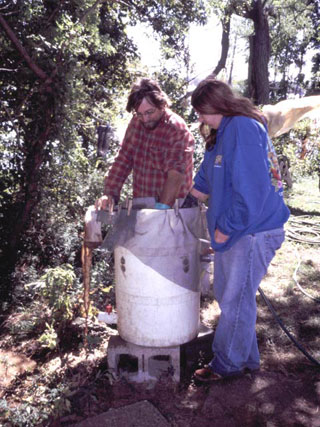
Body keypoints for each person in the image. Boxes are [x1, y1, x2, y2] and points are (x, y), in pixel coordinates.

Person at [190, 77, 290, 381]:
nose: (200, 119)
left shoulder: (243, 128)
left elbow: (252, 190)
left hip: (252, 230)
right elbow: (208, 174)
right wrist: (186, 200)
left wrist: (224, 230)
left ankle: (227, 365)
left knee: (234, 298)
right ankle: (245, 358)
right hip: (240, 230)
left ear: (216, 106)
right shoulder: (224, 133)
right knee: (233, 294)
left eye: (201, 112)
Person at [96, 78, 195, 211]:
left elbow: (175, 175)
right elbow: (123, 159)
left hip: (174, 210)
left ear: (162, 104)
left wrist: (161, 210)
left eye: (150, 112)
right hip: (143, 205)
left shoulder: (176, 129)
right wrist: (109, 195)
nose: (145, 119)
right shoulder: (136, 123)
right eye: (140, 114)